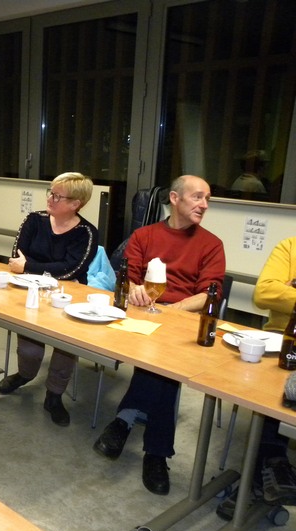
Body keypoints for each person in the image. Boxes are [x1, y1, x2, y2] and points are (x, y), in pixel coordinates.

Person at [93, 175, 225, 495]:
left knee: (164, 364)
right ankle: (156, 453)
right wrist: (135, 289)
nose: (204, 205)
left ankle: (124, 421)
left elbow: (210, 293)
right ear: (175, 199)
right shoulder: (145, 235)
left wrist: (175, 310)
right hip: (141, 316)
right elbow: (128, 277)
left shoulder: (211, 244)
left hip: (182, 320)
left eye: (207, 199)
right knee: (163, 368)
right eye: (197, 197)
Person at [0, 172, 98, 427]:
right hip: (29, 290)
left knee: (64, 346)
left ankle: (54, 395)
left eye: (57, 196)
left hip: (69, 296)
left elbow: (71, 269)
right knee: (29, 347)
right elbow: (16, 258)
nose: (50, 199)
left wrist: (30, 266)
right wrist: (33, 267)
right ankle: (25, 374)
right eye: (50, 192)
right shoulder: (34, 220)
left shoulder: (86, 232)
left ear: (75, 203)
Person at [214, 236, 296, 518]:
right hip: (282, 340)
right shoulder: (290, 247)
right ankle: (273, 465)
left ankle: (259, 480)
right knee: (274, 388)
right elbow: (264, 294)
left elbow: (277, 294)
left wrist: (290, 292)